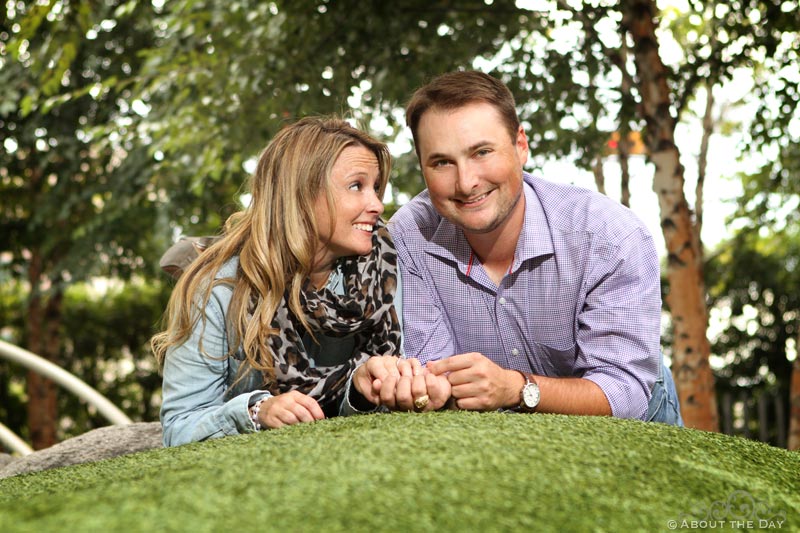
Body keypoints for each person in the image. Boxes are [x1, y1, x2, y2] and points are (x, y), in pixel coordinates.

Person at [349, 71, 682, 424]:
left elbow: (623, 393)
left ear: (520, 146)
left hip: (634, 423)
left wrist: (516, 389)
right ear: (422, 166)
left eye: (482, 152)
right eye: (442, 162)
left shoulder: (611, 236)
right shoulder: (408, 239)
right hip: (493, 431)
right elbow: (437, 380)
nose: (466, 183)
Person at [151, 117, 422, 447]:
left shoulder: (382, 271)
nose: (377, 205)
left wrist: (361, 391)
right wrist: (256, 412)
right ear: (301, 195)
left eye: (376, 188)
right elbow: (179, 428)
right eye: (356, 186)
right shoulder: (217, 288)